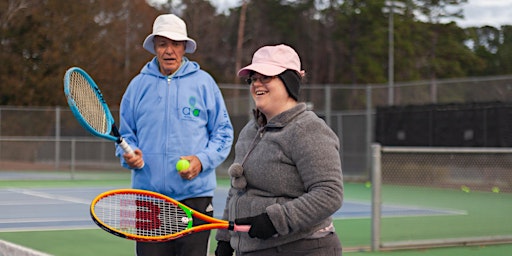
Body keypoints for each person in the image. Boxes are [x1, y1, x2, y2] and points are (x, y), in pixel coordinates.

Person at [116, 13, 234, 256]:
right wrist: (128, 154)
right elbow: (125, 135)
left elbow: (223, 133)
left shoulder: (204, 83)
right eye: (162, 44)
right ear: (155, 48)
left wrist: (201, 161)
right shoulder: (137, 86)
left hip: (195, 198)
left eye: (175, 44)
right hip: (149, 198)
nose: (169, 51)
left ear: (184, 47)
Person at [214, 44, 344, 256]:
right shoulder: (250, 131)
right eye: (253, 78)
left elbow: (329, 194)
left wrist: (275, 220)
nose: (257, 83)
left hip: (304, 249)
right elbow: (236, 190)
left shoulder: (308, 129)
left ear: (289, 81)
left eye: (266, 77)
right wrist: (226, 240)